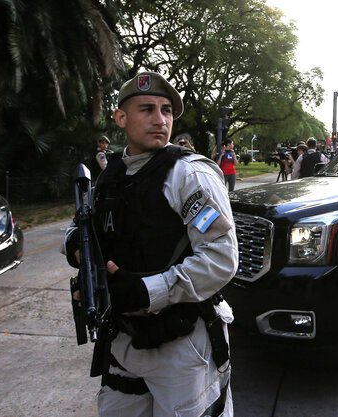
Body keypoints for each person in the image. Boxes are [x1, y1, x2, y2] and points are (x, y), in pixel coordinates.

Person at [63, 71, 237, 417]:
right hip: (124, 339)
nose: (161, 120)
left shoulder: (189, 175)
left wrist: (147, 291)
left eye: (167, 111)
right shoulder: (110, 176)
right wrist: (78, 250)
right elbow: (80, 228)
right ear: (121, 118)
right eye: (147, 109)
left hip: (182, 345)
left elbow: (221, 258)